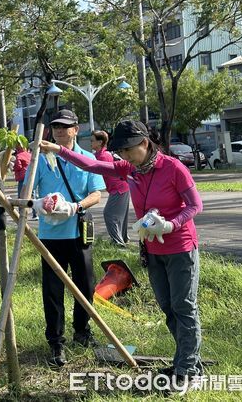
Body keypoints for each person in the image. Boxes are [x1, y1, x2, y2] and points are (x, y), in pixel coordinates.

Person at [39, 119, 204, 384]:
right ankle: (189, 362)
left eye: (128, 150)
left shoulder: (174, 168)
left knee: (184, 308)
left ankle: (186, 370)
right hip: (152, 249)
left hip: (180, 248)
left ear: (144, 143)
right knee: (168, 308)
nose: (124, 156)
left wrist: (171, 223)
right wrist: (58, 150)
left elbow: (195, 206)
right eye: (121, 152)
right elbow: (91, 164)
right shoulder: (132, 169)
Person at [29, 109, 105, 367]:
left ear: (77, 129)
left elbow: (97, 194)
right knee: (53, 290)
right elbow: (28, 194)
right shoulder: (41, 159)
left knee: (85, 285)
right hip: (50, 235)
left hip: (79, 231)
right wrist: (41, 204)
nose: (60, 131)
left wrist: (76, 207)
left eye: (66, 127)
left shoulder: (87, 159)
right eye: (56, 127)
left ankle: (82, 332)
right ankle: (56, 342)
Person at [91, 130, 130, 247]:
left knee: (109, 214)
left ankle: (118, 243)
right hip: (120, 188)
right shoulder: (99, 155)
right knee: (120, 216)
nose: (90, 143)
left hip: (119, 188)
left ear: (100, 142)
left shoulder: (104, 156)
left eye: (93, 140)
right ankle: (123, 239)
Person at [13, 146, 38, 219]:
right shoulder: (29, 154)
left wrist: (13, 167)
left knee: (21, 196)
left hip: (22, 177)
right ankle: (35, 214)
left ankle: (22, 215)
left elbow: (18, 166)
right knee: (33, 195)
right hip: (30, 176)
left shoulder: (19, 155)